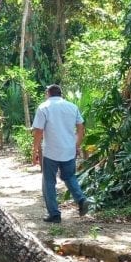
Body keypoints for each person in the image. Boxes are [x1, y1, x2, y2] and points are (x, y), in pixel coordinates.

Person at [31, 84, 91, 223]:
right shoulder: (72, 107)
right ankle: (81, 200)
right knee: (69, 176)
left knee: (49, 182)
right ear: (60, 94)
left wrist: (34, 150)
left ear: (48, 93)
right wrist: (76, 144)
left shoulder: (44, 107)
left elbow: (38, 131)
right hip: (68, 150)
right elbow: (81, 127)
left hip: (51, 151)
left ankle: (54, 214)